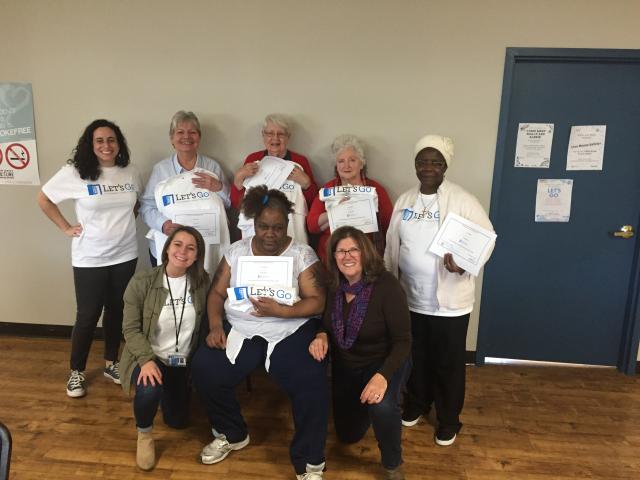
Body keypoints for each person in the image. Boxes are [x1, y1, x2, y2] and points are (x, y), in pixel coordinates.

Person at [191, 186, 328, 480]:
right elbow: (216, 294)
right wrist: (215, 325)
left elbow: (317, 300)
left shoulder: (302, 254)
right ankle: (232, 432)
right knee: (205, 366)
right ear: (253, 223)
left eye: (278, 228)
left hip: (289, 329)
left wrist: (282, 311)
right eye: (264, 226)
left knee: (312, 380)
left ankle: (310, 460)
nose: (270, 234)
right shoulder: (236, 252)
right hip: (241, 327)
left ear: (286, 225)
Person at [384, 134, 495, 446]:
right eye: (423, 161)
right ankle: (417, 404)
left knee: (448, 362)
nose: (428, 166)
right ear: (415, 165)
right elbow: (394, 246)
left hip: (450, 302)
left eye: (435, 161)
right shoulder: (405, 200)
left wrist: (464, 263)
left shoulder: (462, 199)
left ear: (445, 165)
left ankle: (448, 419)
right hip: (411, 297)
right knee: (415, 357)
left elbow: (487, 237)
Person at [37, 119, 140, 398]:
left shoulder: (129, 171)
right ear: (90, 145)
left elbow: (135, 204)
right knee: (87, 315)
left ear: (119, 143)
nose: (106, 146)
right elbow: (44, 198)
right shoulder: (75, 173)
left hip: (126, 254)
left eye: (111, 140)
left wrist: (122, 226)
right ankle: (76, 372)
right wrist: (66, 227)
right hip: (90, 257)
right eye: (100, 141)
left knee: (117, 310)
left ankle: (111, 363)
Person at [309, 226, 411, 480]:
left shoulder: (387, 287)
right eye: (340, 251)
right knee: (348, 436)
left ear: (365, 252)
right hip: (346, 366)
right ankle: (364, 407)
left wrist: (382, 376)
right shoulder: (334, 285)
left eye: (353, 249)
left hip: (383, 362)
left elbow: (403, 341)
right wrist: (321, 335)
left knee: (382, 407)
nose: (347, 256)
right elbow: (325, 324)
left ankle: (392, 463)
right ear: (333, 256)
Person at [120, 226, 210, 471]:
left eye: (191, 248)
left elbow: (207, 323)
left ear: (197, 255)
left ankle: (171, 393)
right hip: (151, 356)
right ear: (167, 248)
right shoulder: (142, 282)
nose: (183, 252)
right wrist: (146, 360)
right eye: (178, 244)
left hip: (182, 359)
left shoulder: (202, 281)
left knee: (178, 421)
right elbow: (130, 328)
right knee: (149, 390)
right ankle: (144, 434)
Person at [140, 110, 230, 266]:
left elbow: (228, 203)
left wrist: (219, 186)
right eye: (180, 132)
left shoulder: (212, 166)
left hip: (206, 248)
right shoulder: (160, 170)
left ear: (199, 137)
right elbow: (146, 207)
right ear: (172, 139)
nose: (186, 137)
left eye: (192, 132)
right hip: (168, 247)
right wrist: (164, 224)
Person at [230, 114, 318, 243]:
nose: (275, 138)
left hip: (292, 228)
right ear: (263, 136)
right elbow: (237, 202)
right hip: (258, 228)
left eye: (281, 134)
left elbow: (313, 201)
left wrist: (307, 183)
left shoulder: (300, 162)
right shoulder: (253, 160)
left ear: (288, 137)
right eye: (270, 133)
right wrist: (238, 179)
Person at [307, 134, 392, 264]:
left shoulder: (375, 189)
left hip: (366, 257)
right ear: (336, 165)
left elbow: (389, 225)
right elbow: (312, 225)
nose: (346, 166)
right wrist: (335, 211)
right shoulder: (327, 189)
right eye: (341, 161)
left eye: (352, 160)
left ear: (361, 163)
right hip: (331, 259)